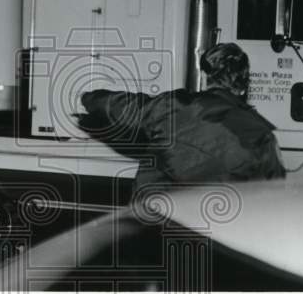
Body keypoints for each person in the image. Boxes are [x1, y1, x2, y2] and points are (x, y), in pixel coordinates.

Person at [78, 42, 285, 190]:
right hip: (217, 233)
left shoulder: (175, 106)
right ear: (243, 86)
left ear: (204, 78)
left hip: (157, 222)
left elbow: (124, 106)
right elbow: (272, 197)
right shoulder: (262, 134)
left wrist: (90, 98)